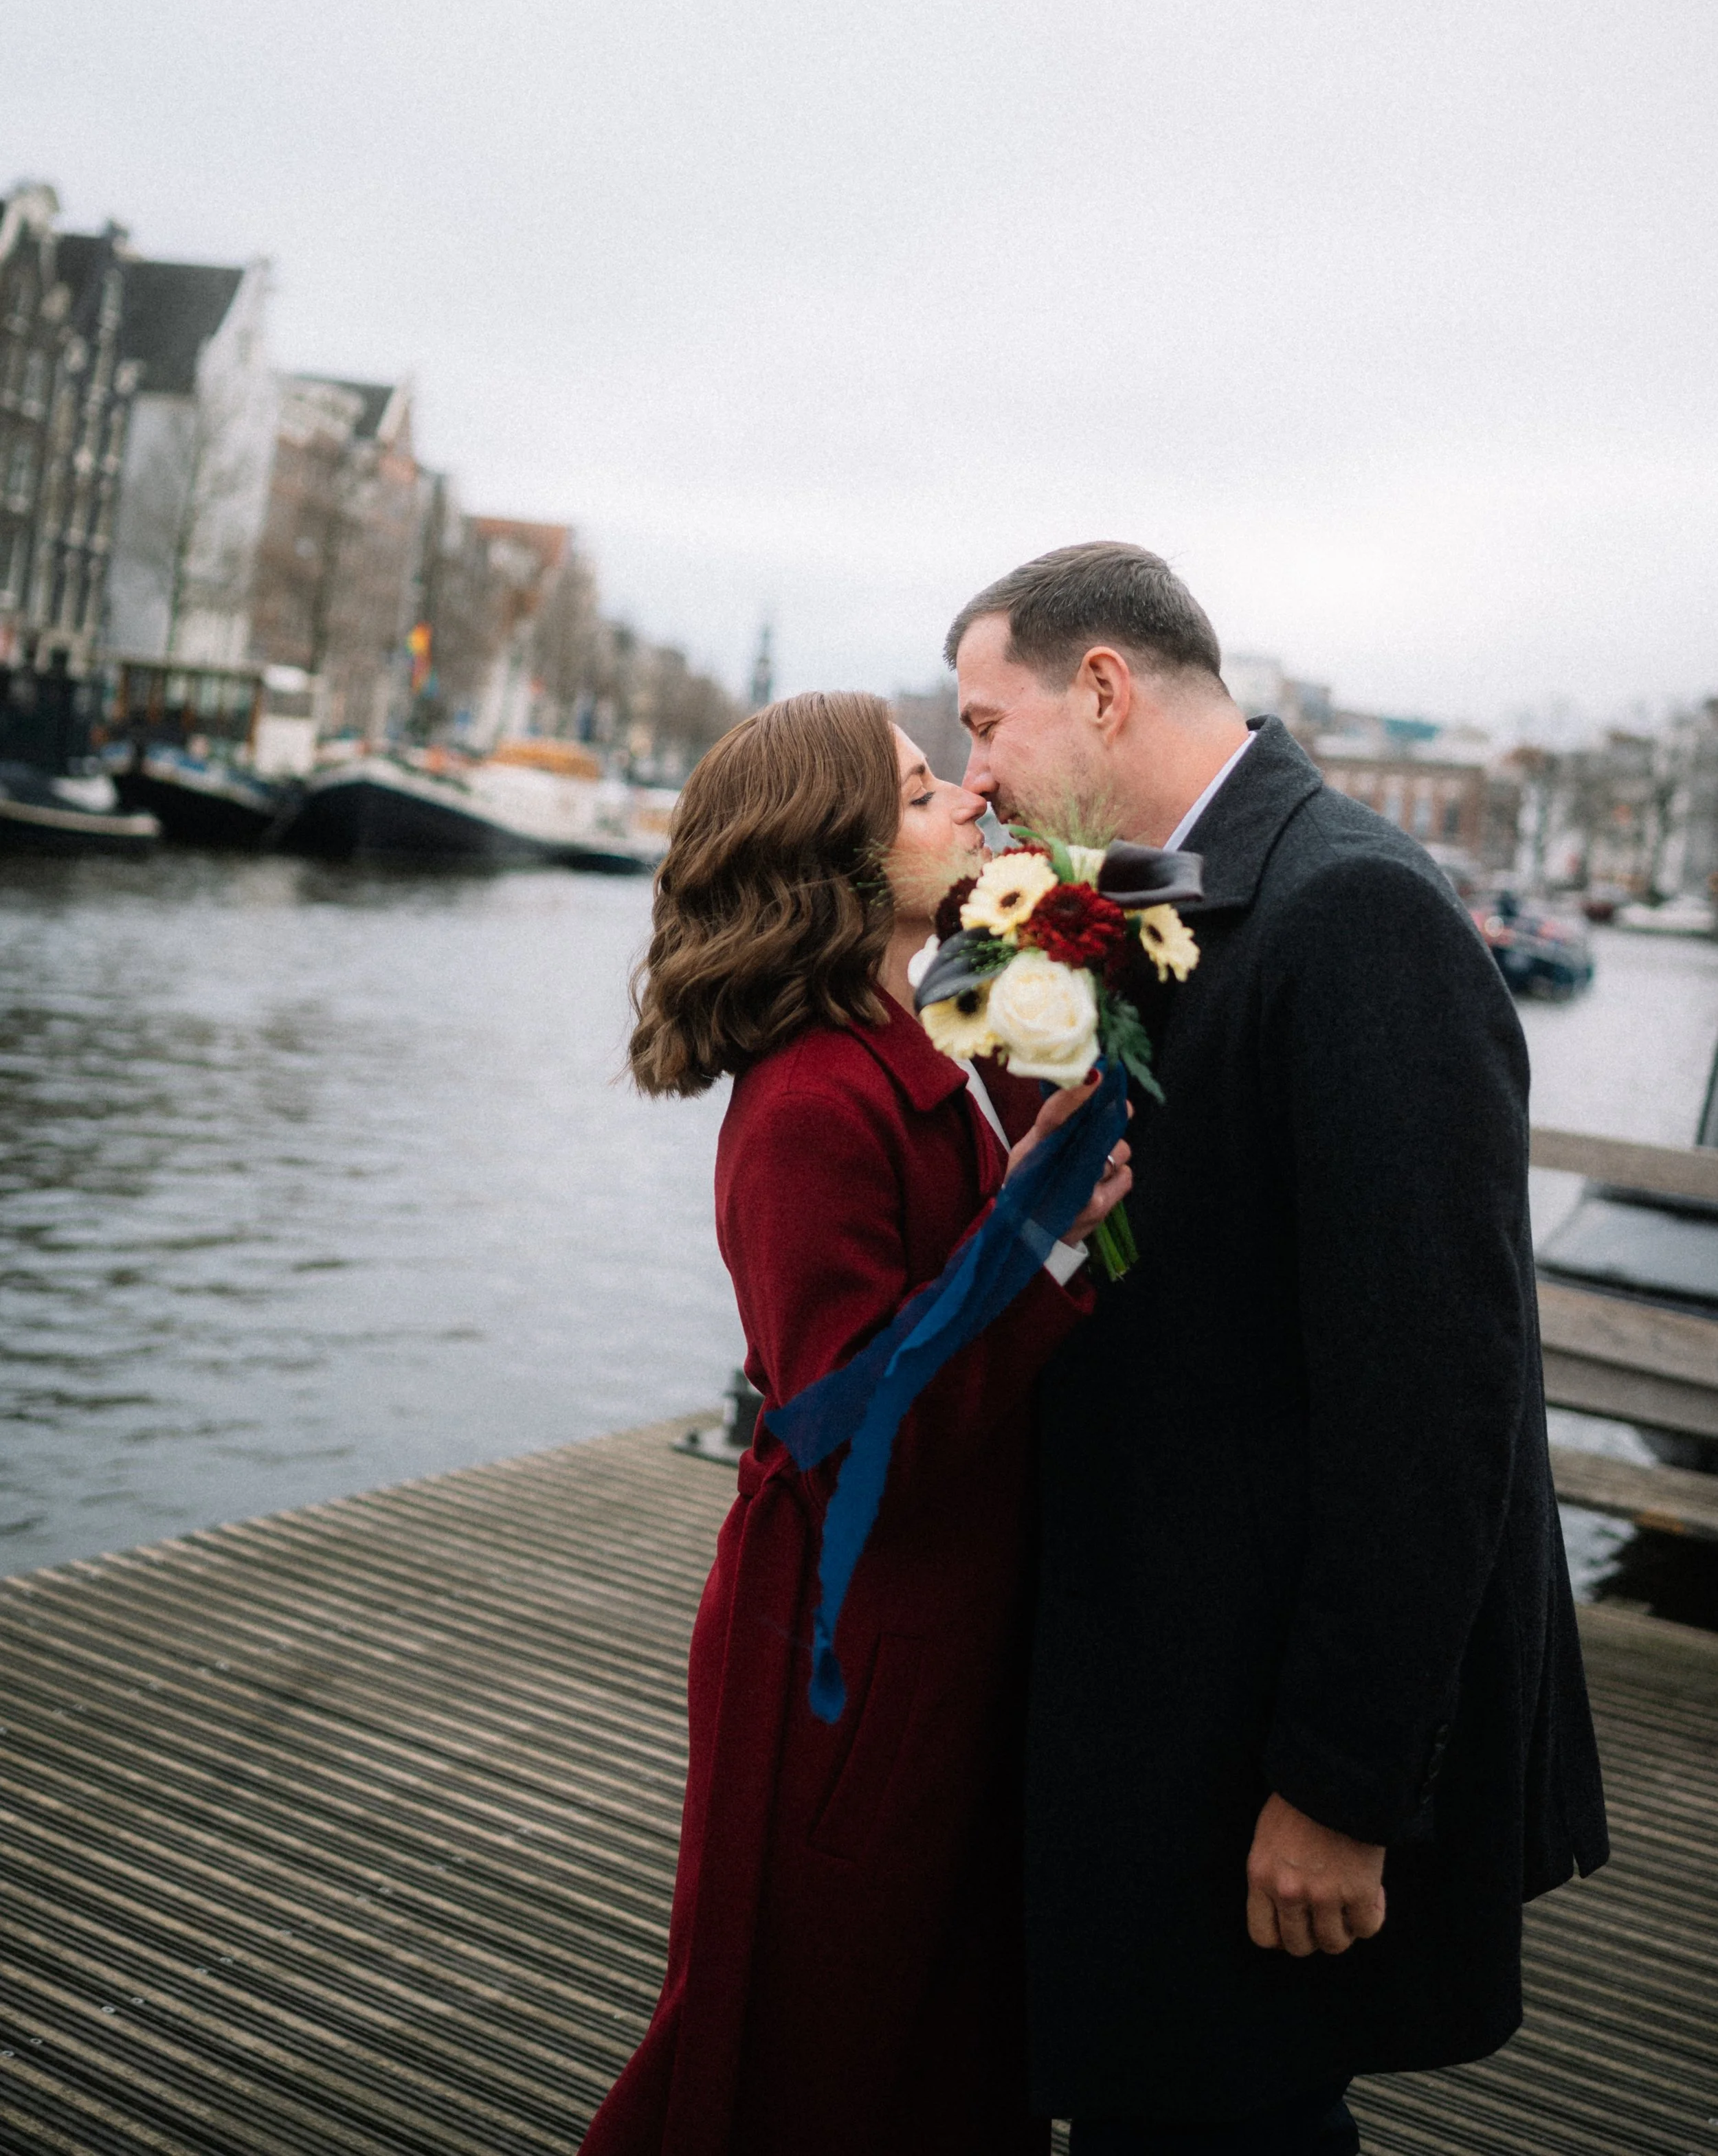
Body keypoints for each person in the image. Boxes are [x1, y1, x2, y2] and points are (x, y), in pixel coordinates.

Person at [946, 541, 1609, 2156]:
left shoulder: (1356, 908)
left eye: (984, 725)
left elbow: (1434, 1397)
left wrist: (1340, 1786)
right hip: (1147, 1688)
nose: (973, 781)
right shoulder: (1127, 897)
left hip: (1249, 1731)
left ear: (1101, 687)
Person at [583, 688, 1133, 2156]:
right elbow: (845, 1418)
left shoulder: (919, 1042)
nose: (962, 795)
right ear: (831, 855)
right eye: (911, 792)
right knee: (796, 2051)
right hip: (847, 1655)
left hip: (928, 1625)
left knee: (926, 2046)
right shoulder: (806, 1105)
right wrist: (1043, 1235)